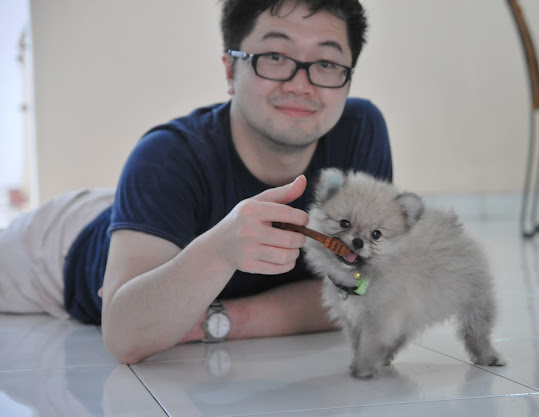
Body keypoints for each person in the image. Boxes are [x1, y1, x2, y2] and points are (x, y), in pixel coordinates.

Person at [0, 0, 392, 364]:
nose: (300, 84)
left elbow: (367, 288)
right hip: (59, 251)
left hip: (164, 213)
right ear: (230, 70)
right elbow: (125, 335)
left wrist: (222, 320)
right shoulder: (166, 156)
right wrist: (221, 249)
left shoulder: (360, 134)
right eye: (275, 56)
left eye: (326, 62)